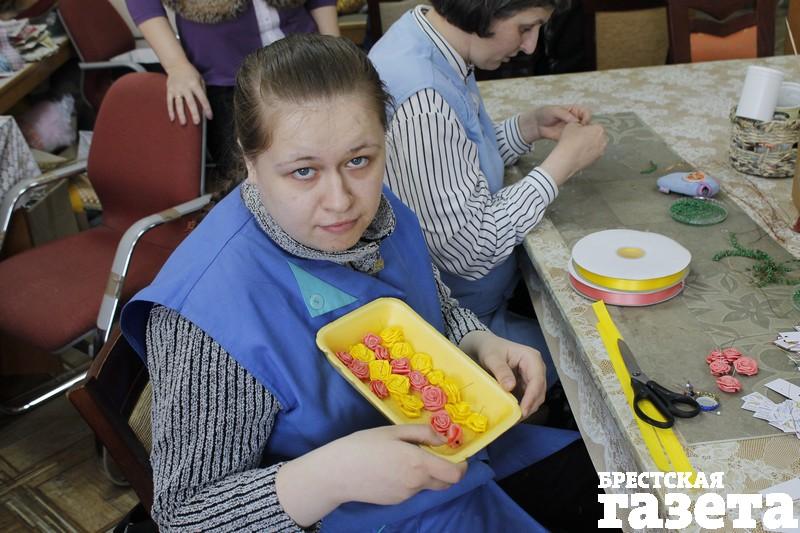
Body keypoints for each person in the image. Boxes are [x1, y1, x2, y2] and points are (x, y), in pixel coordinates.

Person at [121, 34, 601, 531]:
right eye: (303, 171)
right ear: (250, 160)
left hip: (460, 452)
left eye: (359, 161)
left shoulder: (380, 216)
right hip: (356, 519)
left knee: (626, 491)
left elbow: (428, 296)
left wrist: (474, 339)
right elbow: (185, 516)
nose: (340, 200)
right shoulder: (207, 316)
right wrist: (327, 478)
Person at [369, 0, 607, 389]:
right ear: (482, 9)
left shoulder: (428, 36)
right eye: (525, 28)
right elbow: (469, 250)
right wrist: (560, 166)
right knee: (597, 357)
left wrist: (527, 127)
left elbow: (454, 162)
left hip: (480, 297)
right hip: (459, 323)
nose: (531, 46)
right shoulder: (423, 100)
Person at [126, 0, 339, 181]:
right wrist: (176, 64)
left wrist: (336, 52)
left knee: (327, 162)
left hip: (307, 61)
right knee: (249, 182)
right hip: (228, 79)